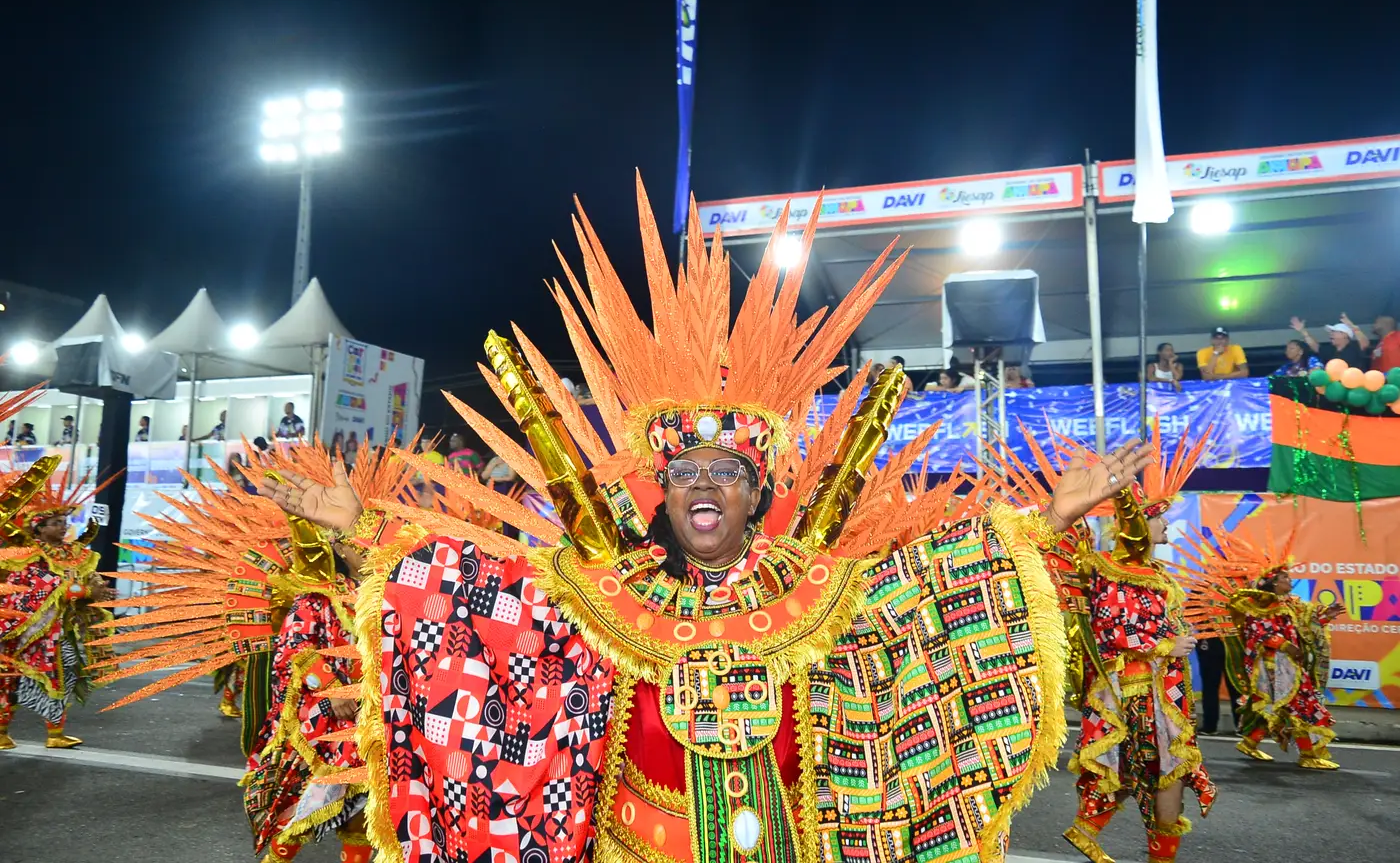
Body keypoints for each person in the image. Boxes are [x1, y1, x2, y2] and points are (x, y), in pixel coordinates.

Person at [258, 186, 1150, 863]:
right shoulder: (610, 598)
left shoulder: (820, 591)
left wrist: (1046, 516)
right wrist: (364, 531)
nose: (706, 484)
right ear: (665, 493)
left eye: (728, 471)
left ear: (757, 494)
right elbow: (486, 599)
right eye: (686, 472)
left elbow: (934, 586)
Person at [96, 443, 416, 863]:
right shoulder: (319, 597)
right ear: (339, 548)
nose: (366, 550)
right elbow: (295, 647)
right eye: (354, 542)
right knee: (309, 805)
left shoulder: (398, 597)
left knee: (365, 813)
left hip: (379, 719)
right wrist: (332, 688)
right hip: (326, 717)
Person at [1064, 426, 1216, 863]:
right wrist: (1166, 644)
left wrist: (1174, 642)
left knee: (1154, 770)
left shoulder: (1155, 573)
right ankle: (1099, 834)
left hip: (1162, 690)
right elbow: (1113, 629)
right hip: (1133, 689)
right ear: (1140, 524)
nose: (1166, 523)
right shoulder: (1114, 568)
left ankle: (1090, 831)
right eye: (1159, 517)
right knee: (1159, 769)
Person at [1173, 530, 1343, 770]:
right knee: (1299, 704)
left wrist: (1325, 616)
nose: (1290, 581)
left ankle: (1250, 742)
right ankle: (1308, 754)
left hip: (1289, 664)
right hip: (1273, 665)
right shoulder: (1257, 605)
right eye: (1285, 577)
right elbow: (1259, 633)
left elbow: (1306, 623)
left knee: (1274, 705)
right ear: (1273, 582)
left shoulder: (1290, 603)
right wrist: (1285, 645)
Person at [0, 475, 114, 750]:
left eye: (64, 522)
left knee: (63, 678)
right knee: (9, 680)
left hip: (61, 629)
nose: (63, 527)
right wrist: (84, 591)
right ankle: (1, 732)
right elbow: (37, 587)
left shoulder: (73, 553)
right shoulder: (27, 554)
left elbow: (83, 579)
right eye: (56, 523)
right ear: (38, 529)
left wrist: (97, 588)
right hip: (28, 632)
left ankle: (55, 734)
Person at [1291, 316, 1368, 369]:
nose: (1331, 334)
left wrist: (1353, 327)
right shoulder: (1330, 350)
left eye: (1334, 332)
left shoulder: (1354, 347)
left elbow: (1365, 343)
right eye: (1331, 332)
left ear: (1344, 335)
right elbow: (1316, 347)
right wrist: (1303, 331)